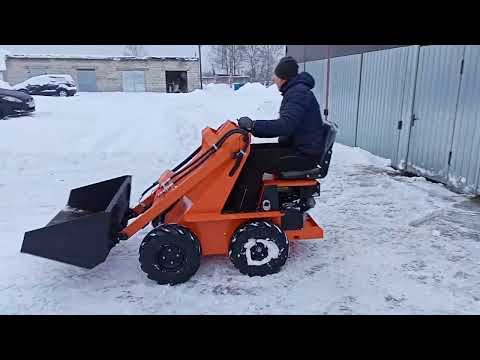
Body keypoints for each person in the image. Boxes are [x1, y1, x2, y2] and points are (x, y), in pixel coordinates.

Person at [225, 56, 336, 212]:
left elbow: (285, 126)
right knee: (249, 153)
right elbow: (288, 124)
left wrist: (253, 125)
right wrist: (254, 127)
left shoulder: (298, 94)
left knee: (253, 162)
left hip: (304, 155)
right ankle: (240, 200)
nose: (273, 78)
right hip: (299, 148)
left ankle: (242, 209)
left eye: (275, 75)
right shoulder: (296, 91)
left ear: (284, 77)